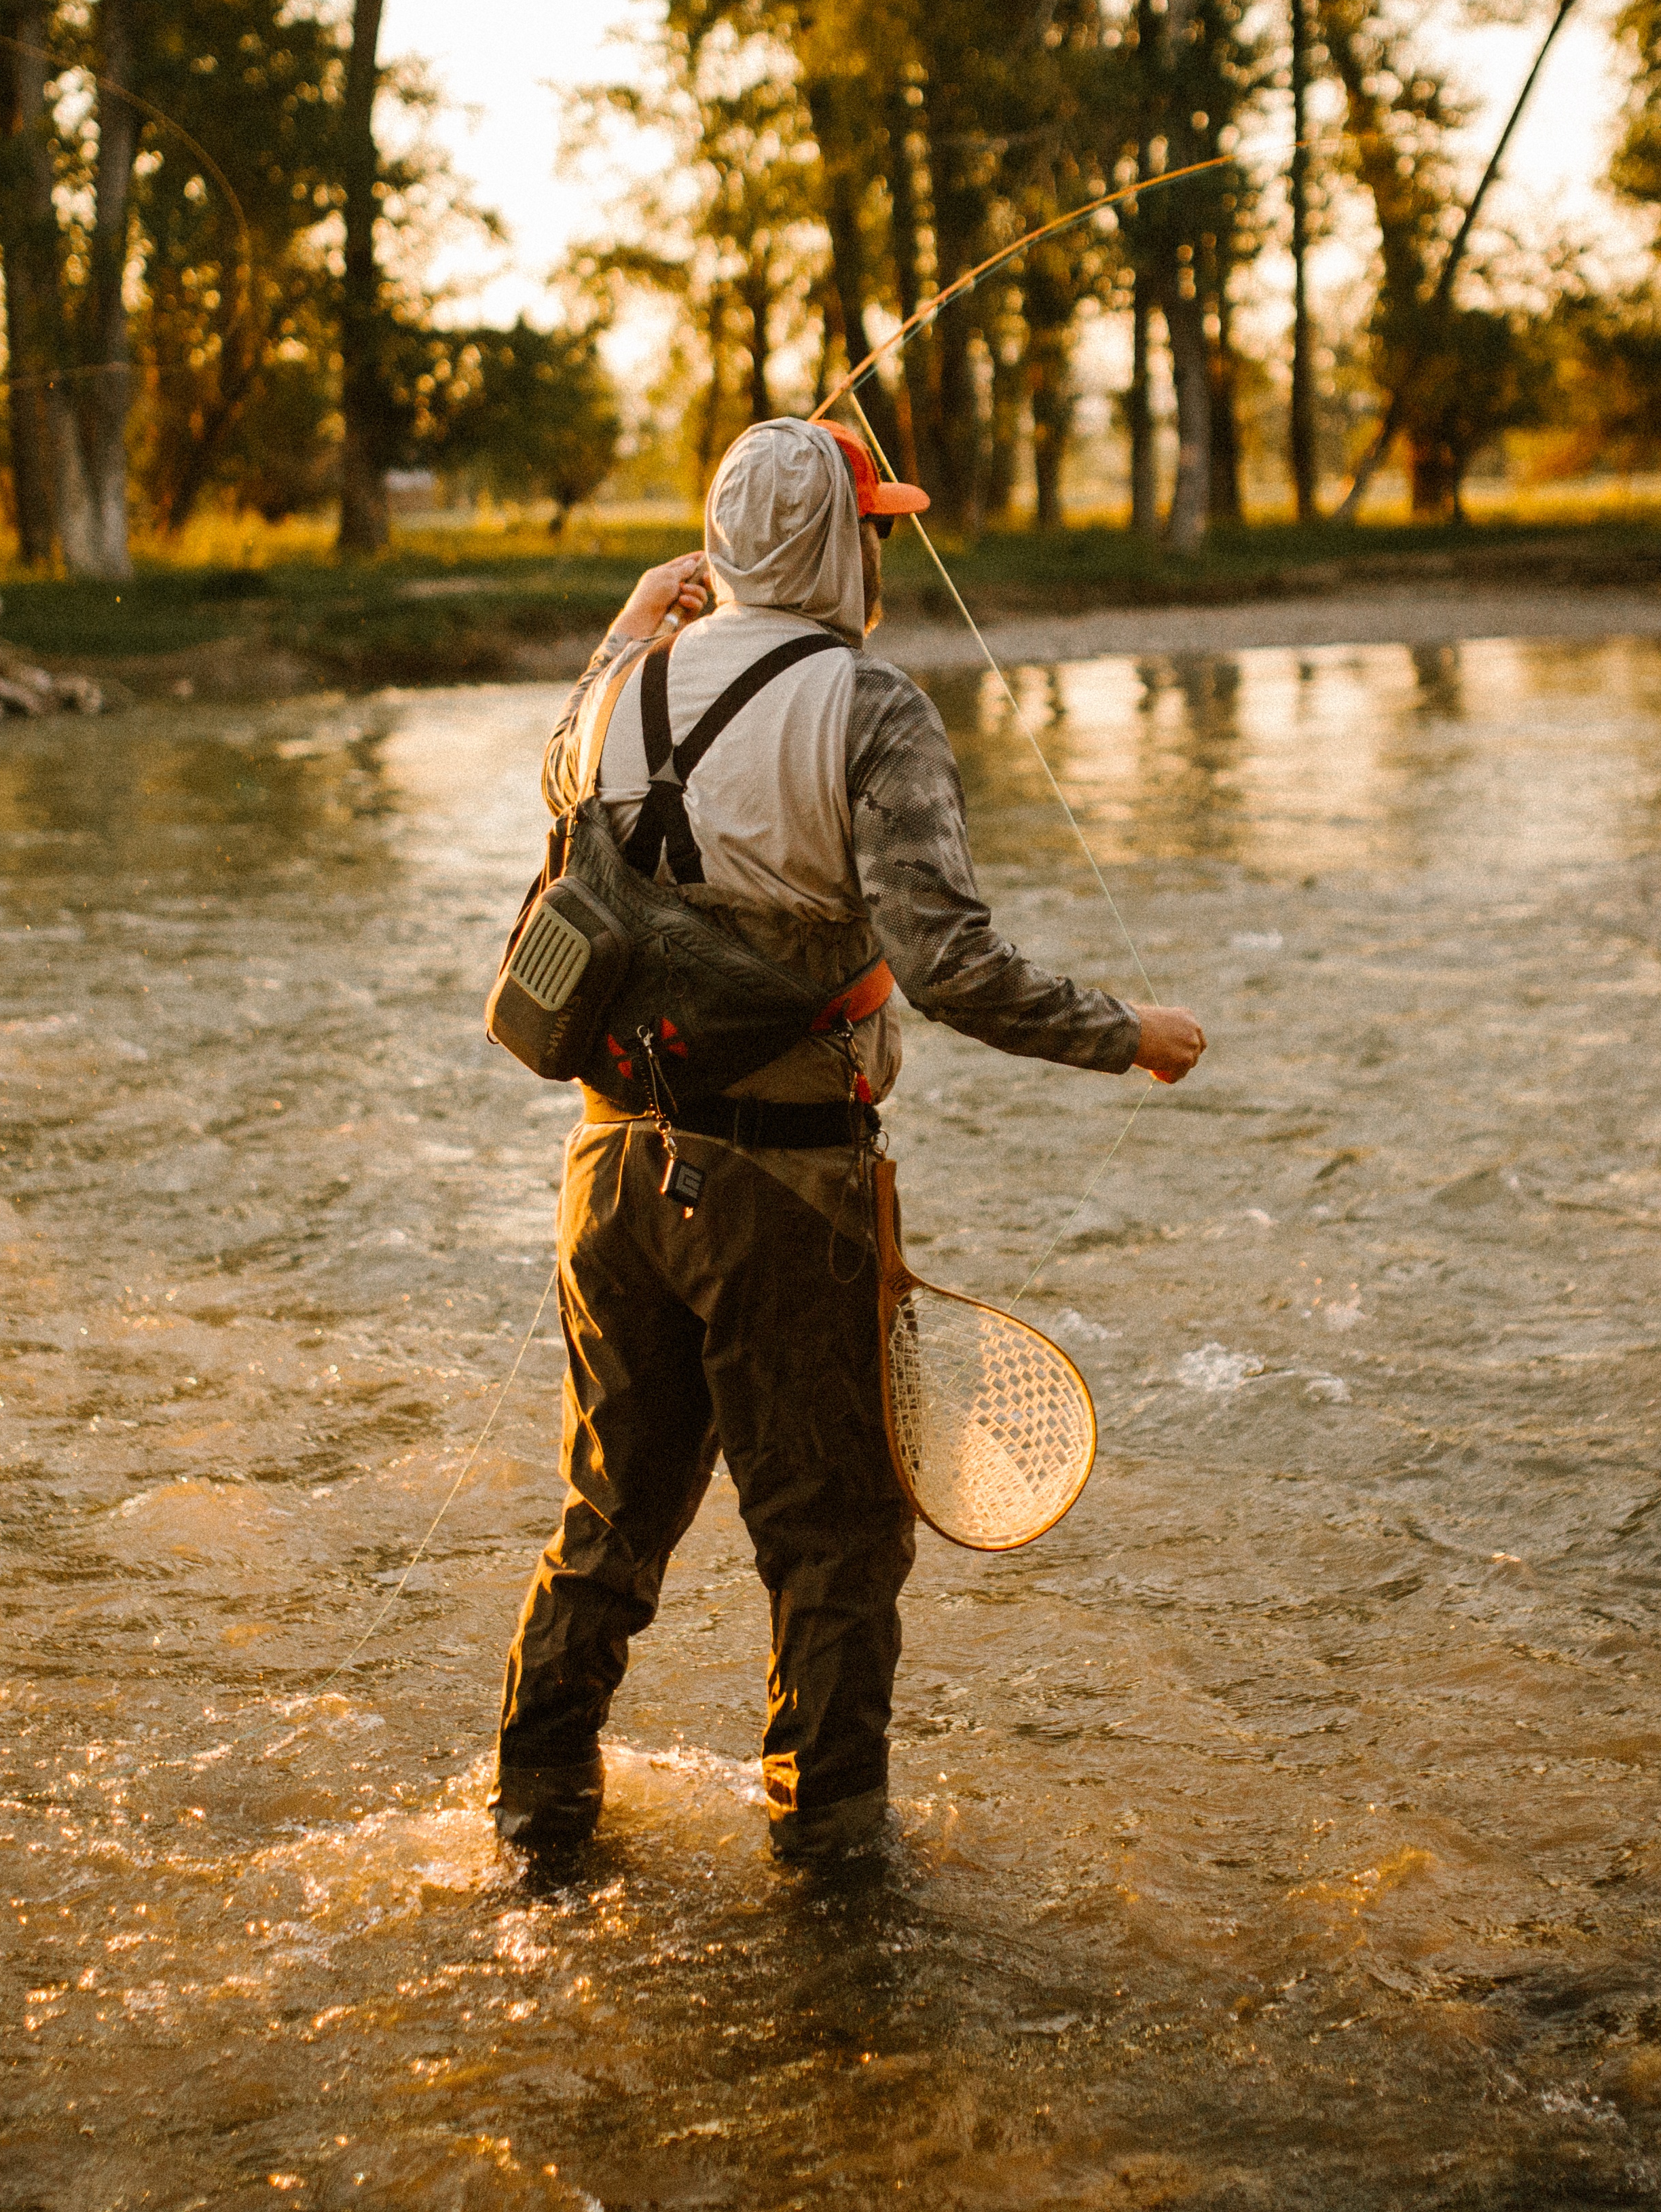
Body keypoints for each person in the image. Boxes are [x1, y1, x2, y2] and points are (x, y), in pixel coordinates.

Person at [491, 416, 1208, 1865]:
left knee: (609, 1522)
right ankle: (831, 1867)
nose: (880, 550)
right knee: (831, 1547)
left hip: (609, 1174)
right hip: (782, 1190)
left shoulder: (611, 694)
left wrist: (629, 627)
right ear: (834, 543)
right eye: (869, 527)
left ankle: (536, 1809)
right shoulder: (870, 709)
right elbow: (947, 970)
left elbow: (565, 796)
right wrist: (1127, 1032)